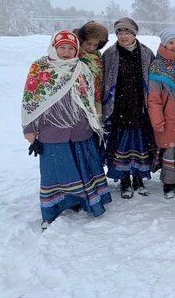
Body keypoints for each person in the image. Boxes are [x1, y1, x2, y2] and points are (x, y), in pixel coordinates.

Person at [22, 30, 111, 230]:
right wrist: (30, 129)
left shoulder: (82, 68)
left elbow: (89, 98)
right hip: (51, 129)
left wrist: (95, 122)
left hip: (80, 127)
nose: (66, 52)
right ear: (54, 47)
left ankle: (80, 199)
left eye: (71, 48)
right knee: (56, 170)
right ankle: (56, 206)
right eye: (62, 47)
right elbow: (31, 99)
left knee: (82, 166)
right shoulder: (40, 67)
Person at [102, 17, 156, 199]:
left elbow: (153, 81)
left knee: (140, 144)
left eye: (127, 32)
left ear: (134, 34)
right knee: (121, 145)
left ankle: (139, 179)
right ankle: (125, 180)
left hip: (140, 106)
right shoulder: (109, 55)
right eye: (119, 32)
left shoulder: (147, 54)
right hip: (119, 108)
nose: (123, 36)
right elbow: (104, 83)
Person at [148, 28, 175, 198]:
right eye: (170, 43)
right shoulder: (157, 66)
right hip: (168, 117)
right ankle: (168, 183)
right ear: (163, 44)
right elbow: (153, 98)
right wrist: (157, 120)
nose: (174, 46)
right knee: (170, 151)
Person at [73, 21, 109, 118]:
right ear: (82, 41)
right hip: (80, 98)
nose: (91, 47)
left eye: (95, 45)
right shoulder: (74, 55)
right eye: (88, 43)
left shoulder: (98, 56)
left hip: (96, 97)